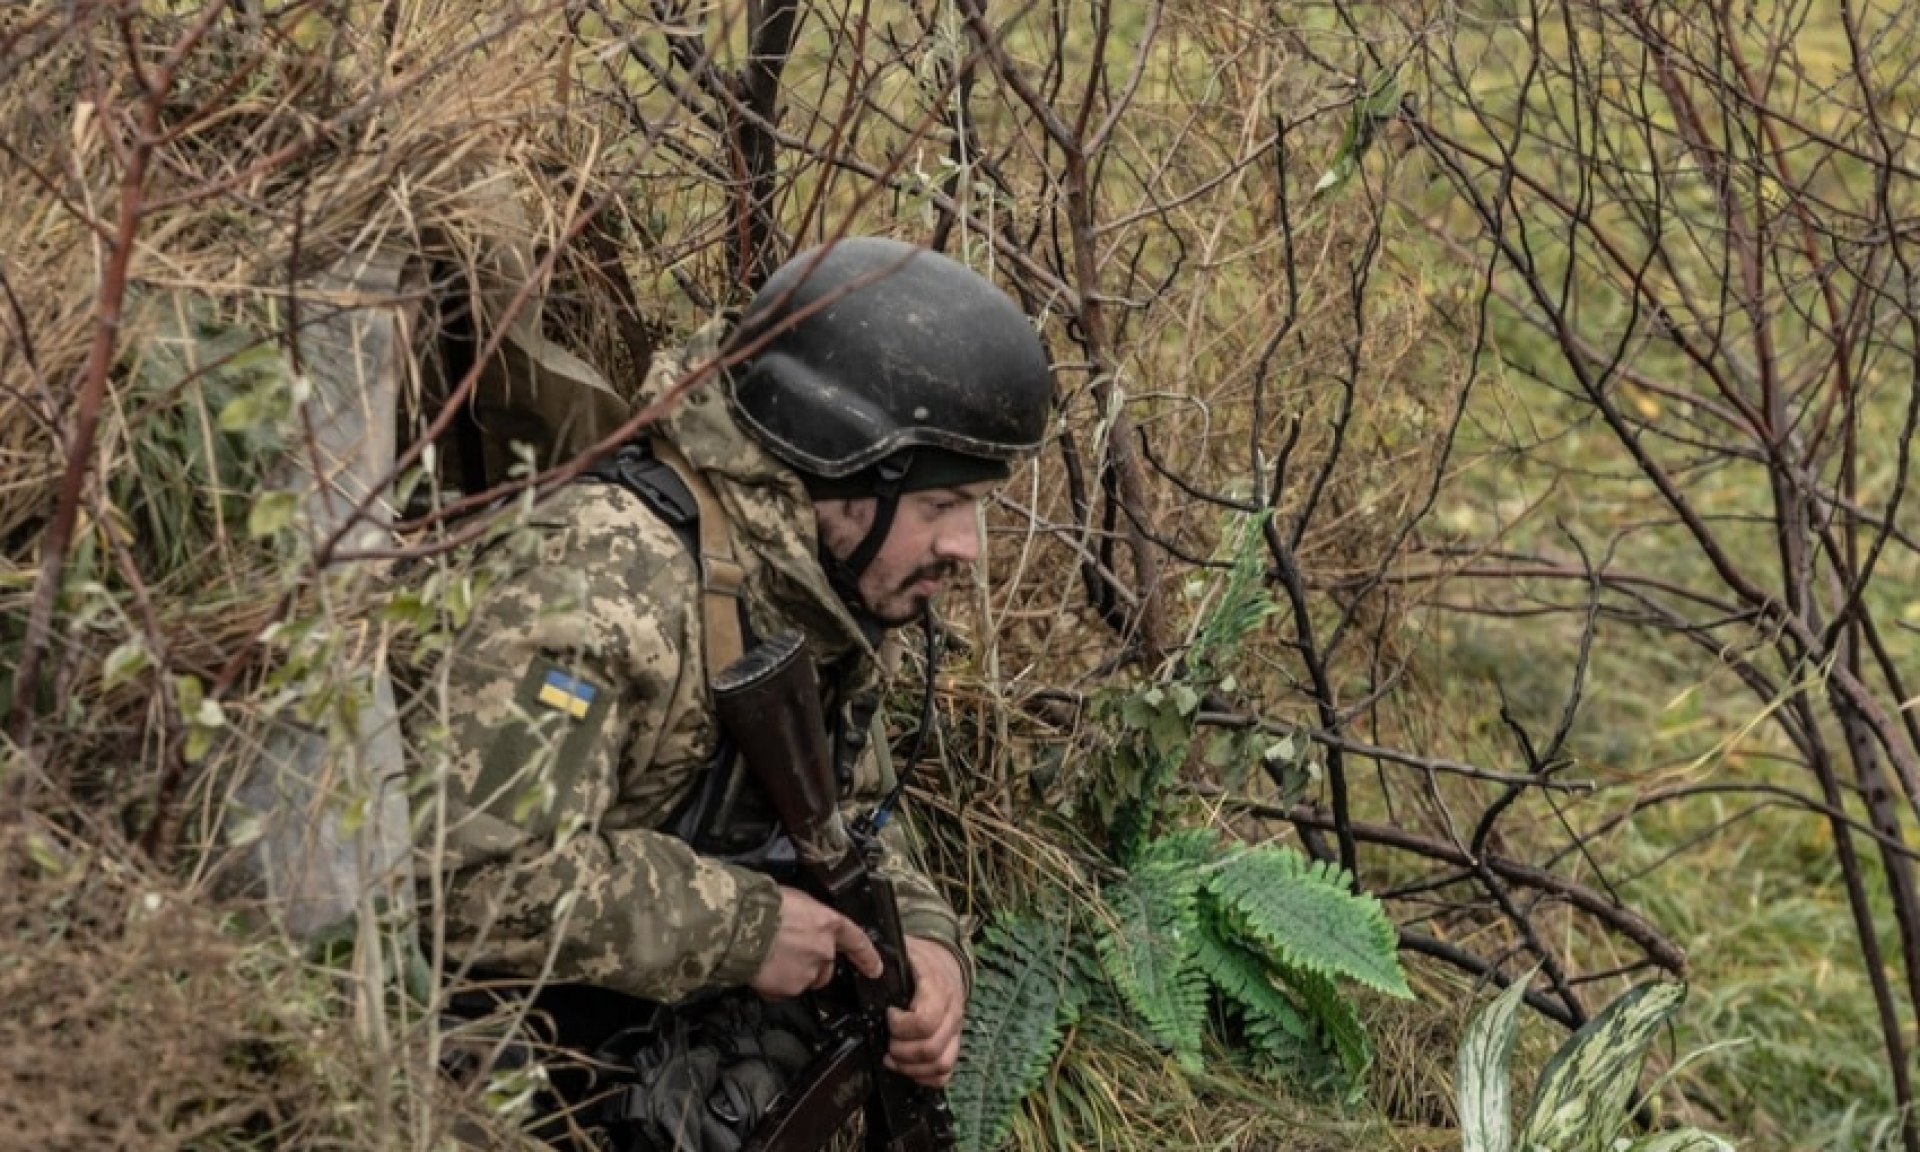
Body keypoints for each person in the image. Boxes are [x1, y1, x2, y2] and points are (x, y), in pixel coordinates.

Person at [409, 236, 1053, 1149]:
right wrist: (746, 929)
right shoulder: (605, 586)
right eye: (941, 508)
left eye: (977, 507)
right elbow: (471, 877)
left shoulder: (812, 586)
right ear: (841, 470)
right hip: (508, 1082)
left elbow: (856, 819)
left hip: (663, 1059)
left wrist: (929, 952)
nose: (969, 549)